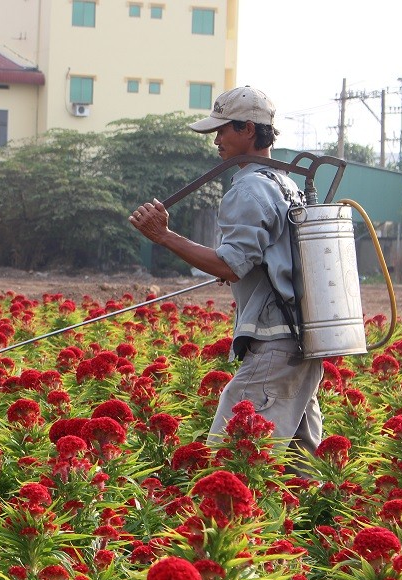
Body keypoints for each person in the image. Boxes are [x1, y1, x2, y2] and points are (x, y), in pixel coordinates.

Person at [127, 85, 323, 463]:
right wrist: (235, 269)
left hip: (275, 347)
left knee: (231, 465)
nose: (216, 140)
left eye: (223, 130)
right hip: (302, 345)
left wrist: (163, 236)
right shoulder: (285, 184)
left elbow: (229, 264)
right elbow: (255, 262)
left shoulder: (248, 188)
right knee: (303, 473)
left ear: (248, 129)